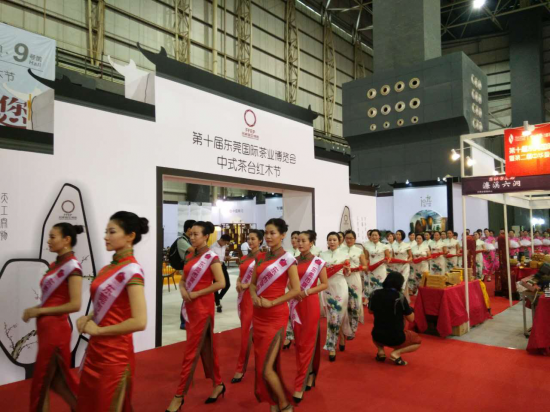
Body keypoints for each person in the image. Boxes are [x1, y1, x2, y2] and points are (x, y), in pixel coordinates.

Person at [76, 211, 148, 412]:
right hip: (95, 351)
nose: (106, 237)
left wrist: (98, 330)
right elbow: (105, 306)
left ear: (130, 236)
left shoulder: (132, 270)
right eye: (106, 232)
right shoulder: (106, 269)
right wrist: (88, 317)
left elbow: (140, 321)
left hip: (115, 356)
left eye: (112, 232)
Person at [165, 221, 226, 412]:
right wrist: (183, 289)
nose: (192, 237)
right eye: (190, 234)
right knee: (207, 348)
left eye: (196, 234)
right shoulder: (190, 255)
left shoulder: (211, 257)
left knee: (191, 352)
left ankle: (179, 396)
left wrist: (198, 293)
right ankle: (218, 384)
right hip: (190, 307)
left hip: (202, 309)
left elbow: (221, 283)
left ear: (206, 236)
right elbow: (183, 279)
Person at [24, 223, 83, 412]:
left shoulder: (73, 267)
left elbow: (75, 304)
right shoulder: (55, 266)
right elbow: (50, 302)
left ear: (66, 240)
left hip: (56, 332)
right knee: (58, 383)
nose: (48, 241)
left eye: (52, 237)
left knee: (41, 384)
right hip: (47, 330)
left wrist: (40, 311)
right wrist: (36, 309)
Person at [249, 218, 300, 412]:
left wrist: (272, 302)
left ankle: (284, 403)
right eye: (266, 233)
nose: (268, 237)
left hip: (275, 316)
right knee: (262, 362)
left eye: (273, 233)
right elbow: (253, 284)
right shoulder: (260, 257)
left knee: (265, 367)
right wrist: (254, 296)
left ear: (283, 235)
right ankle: (274, 401)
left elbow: (295, 290)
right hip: (258, 314)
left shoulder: (288, 260)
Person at [291, 230, 328, 404]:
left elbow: (324, 284)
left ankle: (300, 383)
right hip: (295, 303)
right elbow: (289, 282)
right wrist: (294, 291)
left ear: (311, 242)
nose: (299, 243)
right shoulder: (293, 261)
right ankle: (310, 373)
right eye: (298, 240)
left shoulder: (318, 262)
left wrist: (307, 291)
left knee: (308, 341)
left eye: (303, 240)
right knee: (299, 342)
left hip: (310, 302)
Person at [368, 271, 421, 366]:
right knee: (417, 341)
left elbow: (370, 311)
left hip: (377, 335)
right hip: (396, 338)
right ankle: (396, 353)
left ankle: (381, 351)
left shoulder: (375, 293)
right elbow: (411, 319)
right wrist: (410, 310)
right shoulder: (400, 297)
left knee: (376, 331)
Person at [233, 229, 263, 384]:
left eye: (253, 239)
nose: (250, 241)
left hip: (255, 298)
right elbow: (240, 274)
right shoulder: (245, 257)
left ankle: (240, 368)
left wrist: (247, 285)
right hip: (243, 298)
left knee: (249, 333)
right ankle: (258, 363)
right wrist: (238, 282)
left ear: (260, 241)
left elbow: (263, 279)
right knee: (248, 332)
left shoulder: (263, 258)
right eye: (248, 239)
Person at [320, 232, 350, 362]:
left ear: (339, 241)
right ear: (327, 241)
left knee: (337, 314)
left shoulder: (345, 254)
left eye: (334, 240)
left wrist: (347, 269)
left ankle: (336, 341)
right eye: (330, 240)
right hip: (327, 287)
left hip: (340, 285)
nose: (332, 242)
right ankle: (336, 340)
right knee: (332, 315)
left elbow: (347, 273)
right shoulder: (322, 255)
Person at [341, 230, 367, 340]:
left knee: (354, 304)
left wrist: (355, 269)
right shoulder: (340, 250)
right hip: (342, 278)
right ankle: (344, 328)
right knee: (343, 303)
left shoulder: (359, 250)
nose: (349, 240)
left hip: (354, 278)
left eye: (351, 238)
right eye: (347, 238)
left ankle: (353, 329)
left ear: (355, 239)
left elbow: (365, 266)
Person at [178, 220, 196, 329]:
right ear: (189, 229)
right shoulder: (182, 240)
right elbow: (194, 250)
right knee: (186, 296)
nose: (194, 235)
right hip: (186, 271)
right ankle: (183, 321)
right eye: (193, 231)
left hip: (191, 270)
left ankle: (188, 318)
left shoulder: (188, 240)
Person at [211, 234, 232, 313]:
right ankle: (218, 304)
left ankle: (218, 298)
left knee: (227, 284)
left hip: (222, 266)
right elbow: (210, 259)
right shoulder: (213, 247)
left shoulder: (224, 246)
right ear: (221, 240)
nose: (226, 244)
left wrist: (226, 258)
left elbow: (222, 257)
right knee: (216, 286)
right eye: (225, 243)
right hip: (215, 267)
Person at [390, 230, 412, 296]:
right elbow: (393, 256)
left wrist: (408, 261)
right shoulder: (393, 245)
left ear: (402, 235)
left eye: (399, 234)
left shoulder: (407, 245)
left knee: (403, 281)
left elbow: (410, 256)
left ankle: (401, 296)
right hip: (396, 265)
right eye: (397, 234)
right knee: (396, 281)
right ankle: (398, 296)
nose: (398, 236)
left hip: (404, 265)